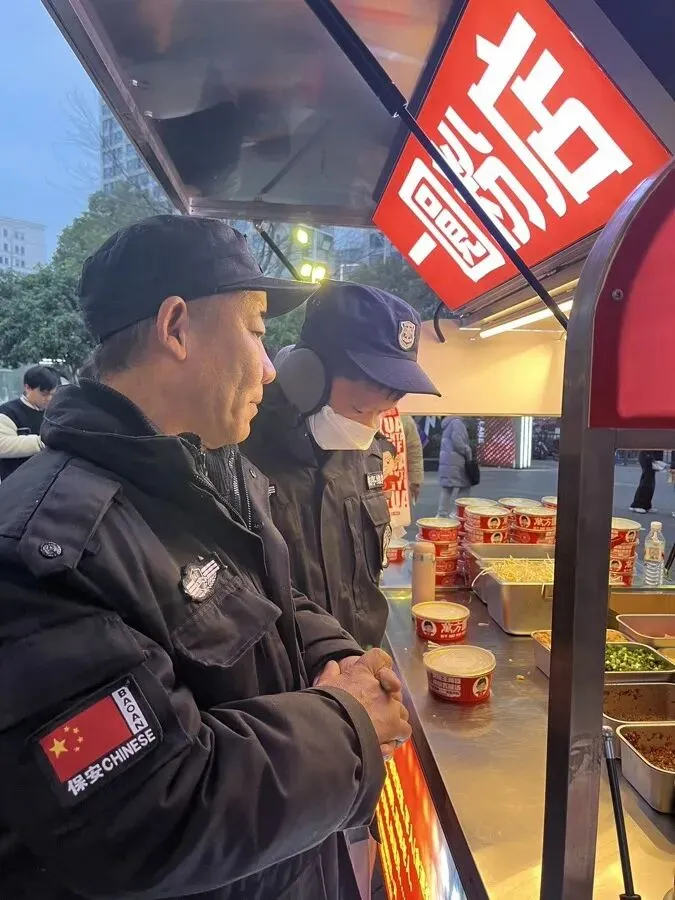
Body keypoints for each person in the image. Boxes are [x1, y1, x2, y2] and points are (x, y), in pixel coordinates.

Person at [0, 216, 412, 900]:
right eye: (255, 329)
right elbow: (148, 809)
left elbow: (269, 597)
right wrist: (349, 723)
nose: (271, 366)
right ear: (176, 328)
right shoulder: (48, 553)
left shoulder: (215, 471)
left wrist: (336, 658)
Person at [244, 283, 440, 651]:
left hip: (361, 662)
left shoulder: (367, 452)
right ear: (304, 376)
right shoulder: (241, 450)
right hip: (293, 675)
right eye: (361, 409)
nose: (369, 429)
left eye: (382, 412)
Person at [0, 364, 59, 480]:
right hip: (16, 481)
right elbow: (2, 445)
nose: (49, 398)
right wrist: (42, 442)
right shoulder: (8, 413)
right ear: (28, 388)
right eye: (44, 394)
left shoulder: (54, 412)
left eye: (52, 394)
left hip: (47, 480)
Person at [437, 416, 473, 517]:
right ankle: (457, 513)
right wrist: (468, 451)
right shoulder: (457, 423)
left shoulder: (448, 423)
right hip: (457, 461)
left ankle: (441, 514)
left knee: (447, 488)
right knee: (466, 486)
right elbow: (458, 442)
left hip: (448, 460)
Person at [630, 450, 664, 514]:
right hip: (647, 454)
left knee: (650, 482)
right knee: (646, 480)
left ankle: (646, 505)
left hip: (652, 456)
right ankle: (637, 505)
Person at [401, 415, 424, 505]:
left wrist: (415, 481)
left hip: (399, 484)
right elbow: (414, 451)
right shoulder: (406, 419)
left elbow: (414, 451)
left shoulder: (405, 419)